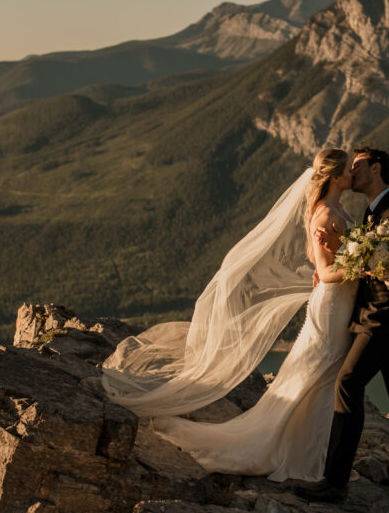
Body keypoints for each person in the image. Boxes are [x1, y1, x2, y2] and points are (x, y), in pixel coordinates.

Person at [100, 148, 359, 482]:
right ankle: (309, 458)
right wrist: (362, 267)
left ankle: (315, 452)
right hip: (332, 303)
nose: (354, 173)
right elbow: (324, 273)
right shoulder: (325, 216)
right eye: (350, 169)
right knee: (321, 373)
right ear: (336, 176)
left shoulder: (338, 210)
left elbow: (323, 264)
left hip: (342, 302)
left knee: (322, 375)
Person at [297, 146, 389, 501]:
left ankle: (335, 482)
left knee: (348, 382)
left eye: (357, 166)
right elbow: (364, 258)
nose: (351, 172)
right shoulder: (374, 212)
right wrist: (336, 250)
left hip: (384, 317)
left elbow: (385, 270)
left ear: (376, 168)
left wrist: (343, 250)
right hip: (381, 316)